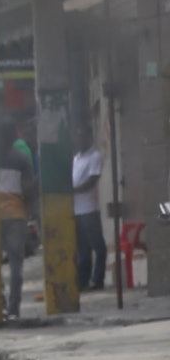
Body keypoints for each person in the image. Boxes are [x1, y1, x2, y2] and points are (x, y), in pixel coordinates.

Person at [0, 129, 37, 320]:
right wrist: (31, 212)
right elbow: (28, 188)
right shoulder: (22, 159)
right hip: (16, 214)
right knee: (16, 264)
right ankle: (14, 308)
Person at [73, 125, 107, 292]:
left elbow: (92, 180)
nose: (79, 140)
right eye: (77, 137)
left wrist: (73, 190)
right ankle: (83, 281)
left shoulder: (94, 156)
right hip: (77, 210)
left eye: (82, 137)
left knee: (98, 247)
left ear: (89, 138)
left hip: (89, 208)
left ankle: (97, 279)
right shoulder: (76, 158)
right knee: (83, 248)